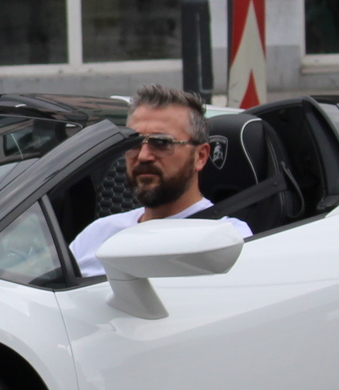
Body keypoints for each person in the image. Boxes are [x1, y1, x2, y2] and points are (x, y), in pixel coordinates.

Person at [69, 84, 253, 279]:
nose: (143, 156)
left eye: (162, 142)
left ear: (200, 156)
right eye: (133, 143)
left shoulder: (230, 241)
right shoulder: (97, 234)